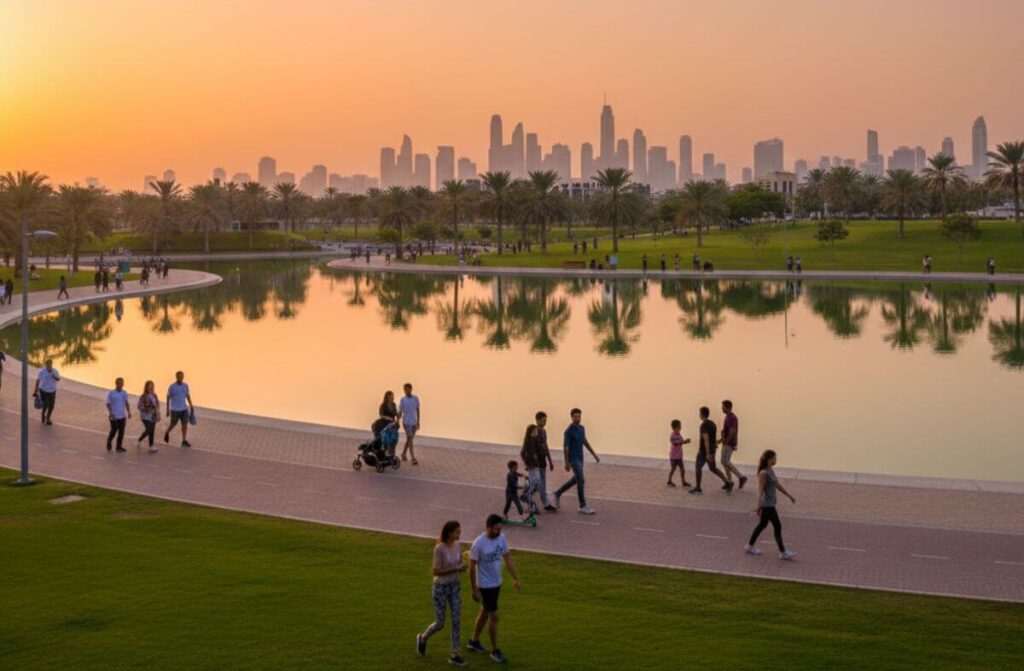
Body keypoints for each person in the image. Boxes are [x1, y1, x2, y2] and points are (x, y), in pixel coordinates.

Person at [467, 514, 521, 664]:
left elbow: (507, 558)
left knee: (484, 612)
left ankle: (474, 640)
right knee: (494, 616)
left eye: (500, 529)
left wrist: (515, 578)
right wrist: (474, 590)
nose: (498, 532)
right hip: (485, 585)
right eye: (496, 529)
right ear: (489, 527)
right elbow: (471, 568)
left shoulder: (501, 538)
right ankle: (495, 650)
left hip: (497, 583)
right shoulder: (479, 543)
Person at [417, 520, 469, 666]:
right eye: (457, 531)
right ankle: (423, 637)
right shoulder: (439, 548)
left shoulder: (458, 545)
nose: (460, 534)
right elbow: (436, 571)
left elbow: (458, 563)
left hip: (455, 586)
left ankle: (455, 654)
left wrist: (463, 567)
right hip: (440, 587)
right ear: (450, 532)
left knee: (456, 619)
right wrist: (456, 569)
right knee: (440, 623)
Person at [745, 449, 797, 560]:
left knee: (762, 525)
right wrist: (758, 506)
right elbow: (760, 490)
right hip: (767, 505)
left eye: (775, 458)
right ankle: (783, 552)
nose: (775, 460)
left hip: (770, 503)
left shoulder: (770, 470)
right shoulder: (763, 473)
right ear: (768, 460)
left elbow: (777, 484)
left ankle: (749, 546)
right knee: (777, 526)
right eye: (774, 458)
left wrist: (788, 495)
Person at [553, 408, 600, 514]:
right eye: (575, 416)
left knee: (576, 480)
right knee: (581, 481)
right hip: (574, 460)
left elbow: (585, 441)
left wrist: (594, 454)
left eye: (579, 416)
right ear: (571, 417)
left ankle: (557, 493)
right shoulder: (568, 431)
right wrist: (566, 463)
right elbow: (566, 448)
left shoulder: (582, 428)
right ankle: (582, 505)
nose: (577, 418)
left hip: (580, 459)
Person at [690, 406, 731, 494]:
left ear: (701, 414)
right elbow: (713, 438)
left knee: (698, 468)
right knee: (713, 468)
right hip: (712, 450)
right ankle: (727, 482)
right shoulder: (712, 423)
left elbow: (706, 439)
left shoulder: (703, 425)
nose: (699, 415)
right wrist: (716, 444)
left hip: (704, 452)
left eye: (699, 413)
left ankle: (698, 487)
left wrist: (708, 453)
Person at [718, 400, 748, 489]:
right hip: (726, 442)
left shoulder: (732, 418)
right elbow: (726, 431)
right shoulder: (727, 417)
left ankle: (741, 477)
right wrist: (720, 440)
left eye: (723, 407)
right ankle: (729, 481)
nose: (721, 408)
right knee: (724, 462)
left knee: (725, 461)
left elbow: (732, 431)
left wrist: (727, 441)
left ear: (727, 407)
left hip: (729, 443)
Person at [163, 370, 194, 447]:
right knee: (173, 424)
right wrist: (167, 410)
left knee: (185, 424)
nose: (180, 377)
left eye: (181, 376)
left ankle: (184, 440)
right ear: (176, 377)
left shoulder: (185, 386)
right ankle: (167, 432)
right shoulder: (172, 387)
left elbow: (187, 396)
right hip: (175, 410)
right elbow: (168, 397)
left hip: (184, 409)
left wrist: (191, 405)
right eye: (179, 376)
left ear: (183, 377)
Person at [105, 377, 131, 452]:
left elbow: (126, 403)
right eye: (118, 383)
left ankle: (118, 447)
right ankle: (109, 441)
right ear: (116, 383)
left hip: (122, 416)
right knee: (114, 430)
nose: (120, 384)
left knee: (121, 432)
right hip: (114, 416)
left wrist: (128, 412)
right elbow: (108, 404)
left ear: (123, 384)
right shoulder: (111, 393)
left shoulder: (124, 393)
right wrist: (111, 413)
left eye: (121, 383)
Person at [398, 382, 421, 465]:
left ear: (411, 389)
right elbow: (400, 411)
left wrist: (418, 421)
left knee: (409, 440)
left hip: (414, 422)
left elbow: (417, 410)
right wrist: (397, 420)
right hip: (406, 422)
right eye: (404, 389)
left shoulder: (416, 398)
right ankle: (413, 458)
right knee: (410, 438)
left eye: (407, 389)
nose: (405, 391)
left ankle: (403, 454)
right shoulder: (402, 400)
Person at [34, 359, 61, 425]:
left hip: (52, 391)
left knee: (51, 406)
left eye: (50, 365)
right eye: (48, 365)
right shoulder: (42, 371)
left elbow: (58, 379)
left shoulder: (55, 371)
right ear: (46, 365)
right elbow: (38, 381)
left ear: (52, 364)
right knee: (45, 404)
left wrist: (54, 377)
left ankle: (48, 417)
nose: (49, 366)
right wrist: (35, 391)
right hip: (43, 390)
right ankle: (43, 415)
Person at [667, 419, 692, 488]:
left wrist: (686, 441)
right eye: (679, 426)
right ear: (675, 428)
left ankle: (683, 482)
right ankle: (669, 481)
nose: (681, 428)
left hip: (679, 456)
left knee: (682, 469)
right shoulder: (672, 435)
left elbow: (681, 442)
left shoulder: (679, 434)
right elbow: (674, 443)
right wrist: (682, 441)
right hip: (673, 456)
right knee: (673, 469)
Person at [137, 380, 160, 452]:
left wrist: (158, 414)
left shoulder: (155, 395)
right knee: (149, 429)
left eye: (152, 385)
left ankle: (151, 446)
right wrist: (147, 409)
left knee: (152, 431)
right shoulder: (143, 396)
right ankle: (139, 439)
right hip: (145, 416)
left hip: (153, 416)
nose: (151, 387)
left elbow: (157, 405)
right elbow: (139, 406)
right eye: (149, 386)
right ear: (146, 387)